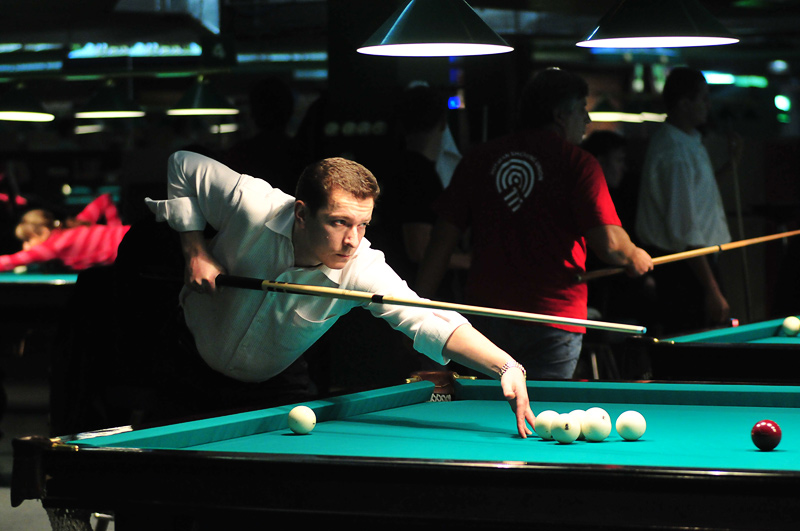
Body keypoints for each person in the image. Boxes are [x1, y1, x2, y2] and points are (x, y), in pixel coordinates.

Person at [145, 151, 534, 438]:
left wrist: (506, 366)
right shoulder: (252, 204)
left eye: (363, 225)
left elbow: (426, 318)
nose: (352, 240)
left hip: (272, 388)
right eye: (339, 222)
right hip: (186, 367)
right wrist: (195, 251)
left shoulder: (361, 270)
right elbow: (182, 164)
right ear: (302, 214)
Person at [416, 67, 653, 380]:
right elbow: (610, 246)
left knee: (488, 403)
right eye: (582, 109)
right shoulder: (578, 163)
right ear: (559, 115)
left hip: (488, 316)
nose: (587, 120)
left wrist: (415, 311)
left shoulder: (479, 159)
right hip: (553, 320)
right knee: (541, 406)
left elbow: (441, 242)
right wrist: (634, 255)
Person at [635, 66, 740, 335]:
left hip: (693, 264)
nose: (708, 105)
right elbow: (685, 232)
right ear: (684, 104)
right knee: (696, 344)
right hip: (684, 269)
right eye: (703, 98)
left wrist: (730, 166)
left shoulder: (684, 140)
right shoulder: (675, 152)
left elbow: (698, 197)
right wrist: (712, 290)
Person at [0, 193, 130, 272]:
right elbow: (104, 199)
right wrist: (115, 231)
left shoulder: (53, 246)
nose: (25, 245)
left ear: (44, 232)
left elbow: (8, 262)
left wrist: (118, 238)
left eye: (28, 239)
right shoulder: (75, 225)